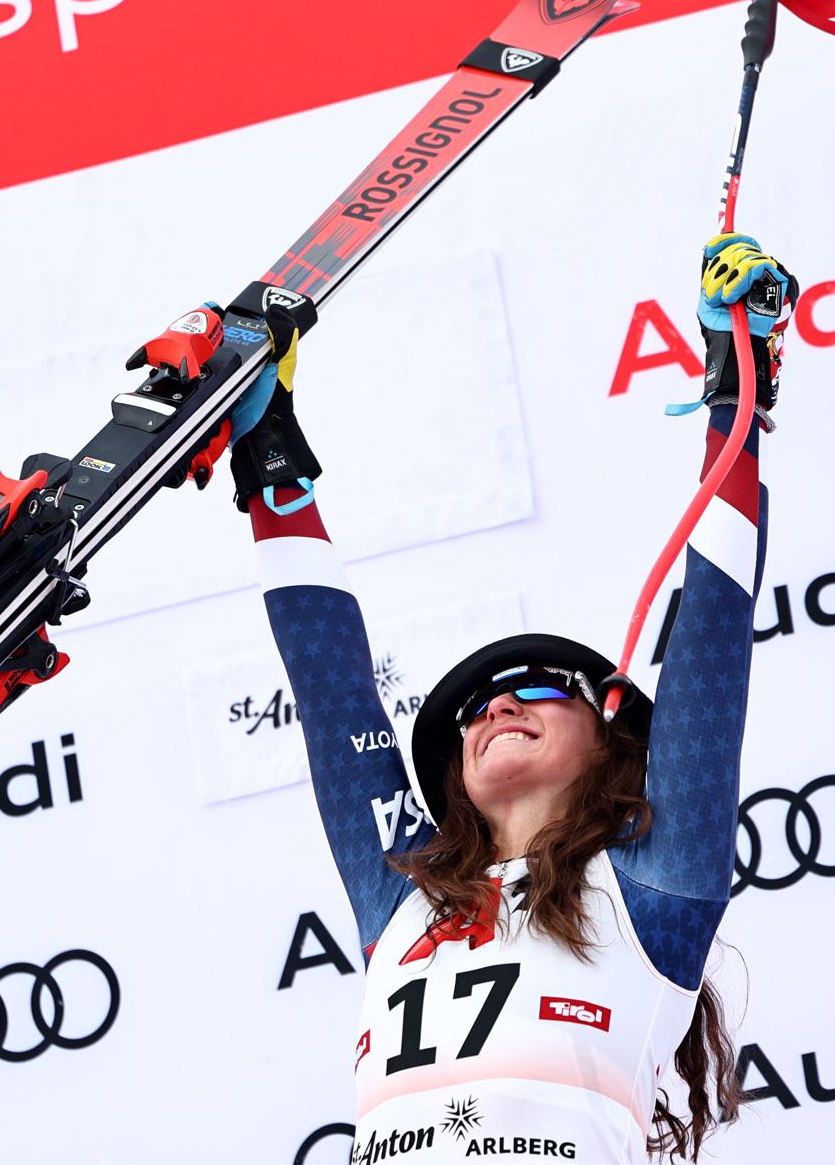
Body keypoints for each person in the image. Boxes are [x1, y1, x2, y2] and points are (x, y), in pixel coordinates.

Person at [224, 234, 794, 1163]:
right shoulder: (400, 895)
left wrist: (737, 385)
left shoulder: (652, 886)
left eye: (535, 689)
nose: (495, 708)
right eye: (472, 712)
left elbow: (713, 638)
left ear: (615, 742)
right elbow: (332, 695)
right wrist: (271, 452)